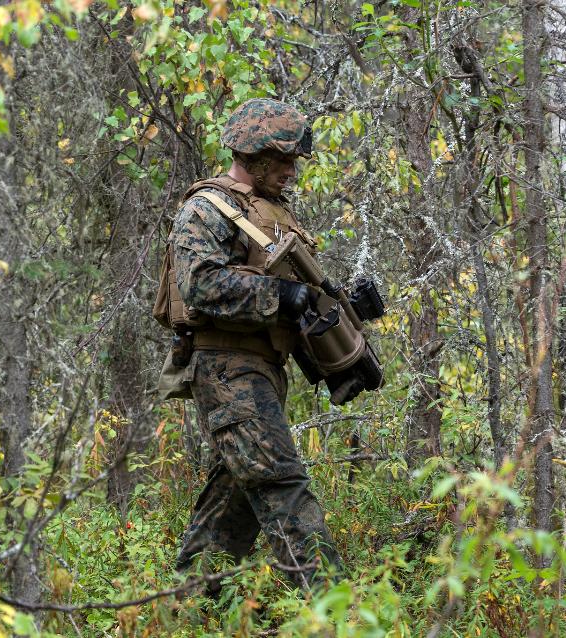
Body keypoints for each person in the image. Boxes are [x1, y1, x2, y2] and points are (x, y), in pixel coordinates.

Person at [167, 98, 341, 590]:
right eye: (283, 160)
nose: (291, 171)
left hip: (259, 370)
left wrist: (339, 305)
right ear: (253, 155)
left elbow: (295, 296)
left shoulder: (269, 212)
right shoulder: (207, 208)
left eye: (294, 162)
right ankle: (334, 614)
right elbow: (199, 284)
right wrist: (282, 296)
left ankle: (186, 612)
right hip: (227, 371)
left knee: (231, 507)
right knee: (284, 489)